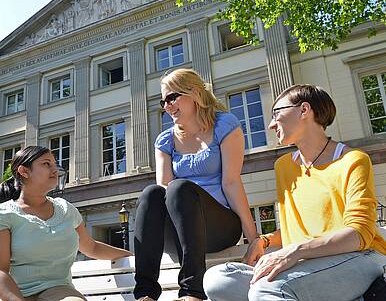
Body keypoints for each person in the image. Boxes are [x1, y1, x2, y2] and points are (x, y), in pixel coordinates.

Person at [204, 84, 386, 301]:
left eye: (276, 113)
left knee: (270, 289)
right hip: (307, 262)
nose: (271, 124)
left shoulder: (352, 161)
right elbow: (299, 227)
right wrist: (265, 241)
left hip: (360, 258)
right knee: (217, 280)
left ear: (304, 110)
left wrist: (294, 252)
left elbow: (359, 234)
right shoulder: (284, 166)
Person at [134, 68, 259, 301]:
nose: (167, 106)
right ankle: (145, 293)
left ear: (194, 93)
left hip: (220, 227)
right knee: (152, 192)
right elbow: (163, 191)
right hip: (180, 235)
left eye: (172, 97)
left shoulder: (225, 125)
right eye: (164, 102)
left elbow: (231, 182)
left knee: (180, 188)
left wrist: (253, 238)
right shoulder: (165, 140)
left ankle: (192, 291)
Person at [0, 146, 132, 301]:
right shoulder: (1, 214)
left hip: (57, 290)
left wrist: (132, 256)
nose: (55, 170)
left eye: (55, 164)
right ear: (24, 171)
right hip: (9, 294)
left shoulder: (65, 209)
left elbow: (92, 247)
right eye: (46, 164)